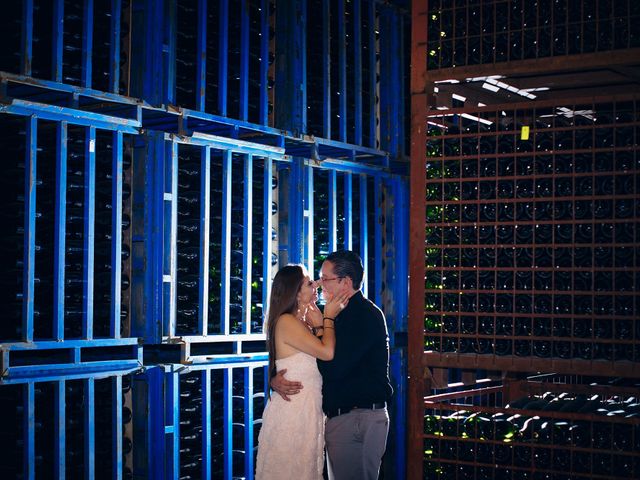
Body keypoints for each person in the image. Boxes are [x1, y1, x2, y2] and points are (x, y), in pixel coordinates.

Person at [271, 250, 393, 480]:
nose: (318, 284)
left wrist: (322, 324)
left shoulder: (364, 316)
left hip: (360, 418)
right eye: (314, 280)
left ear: (345, 282)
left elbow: (333, 367)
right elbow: (293, 357)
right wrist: (274, 378)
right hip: (336, 419)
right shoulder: (327, 316)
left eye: (324, 278)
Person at [255, 264, 350, 480]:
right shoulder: (287, 322)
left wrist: (319, 325)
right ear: (296, 293)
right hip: (293, 414)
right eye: (309, 282)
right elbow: (326, 352)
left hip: (308, 413)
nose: (316, 284)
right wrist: (329, 318)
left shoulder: (302, 323)